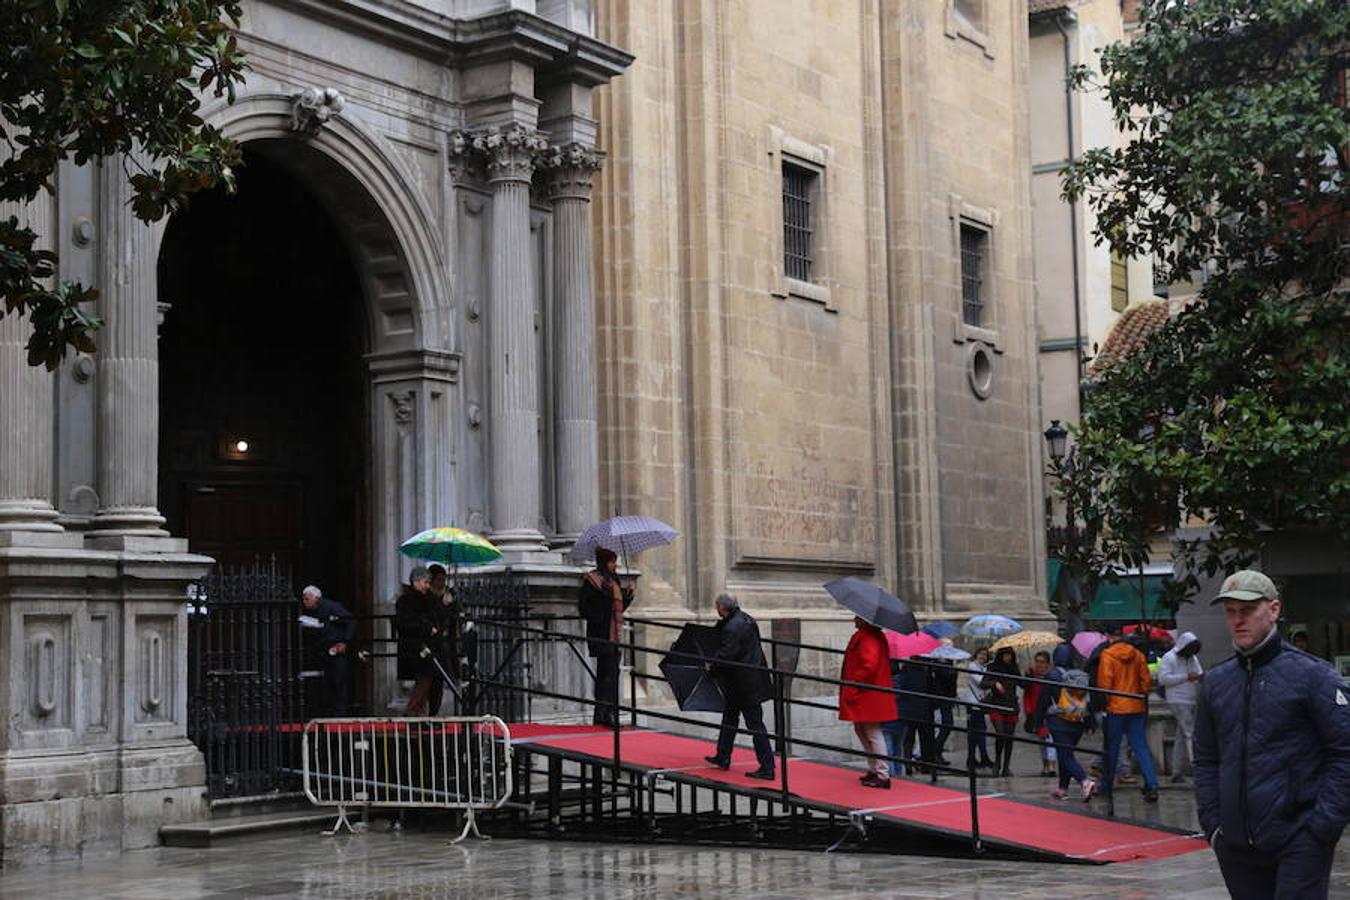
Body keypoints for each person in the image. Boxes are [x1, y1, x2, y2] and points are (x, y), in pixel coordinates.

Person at [1195, 570, 1350, 899]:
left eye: (1247, 610)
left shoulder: (1313, 677)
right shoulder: (1216, 683)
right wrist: (1214, 826)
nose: (1238, 620)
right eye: (1230, 611)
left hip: (1299, 839)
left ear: (1274, 610)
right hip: (1236, 844)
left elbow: (1344, 752)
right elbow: (1207, 759)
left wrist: (1321, 828)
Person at [703, 594, 776, 780]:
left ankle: (767, 767)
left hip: (742, 683)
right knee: (730, 718)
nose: (716, 610)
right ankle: (722, 755)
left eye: (716, 607)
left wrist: (711, 666)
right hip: (746, 680)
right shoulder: (745, 619)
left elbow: (727, 653)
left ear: (722, 607)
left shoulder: (733, 626)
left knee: (754, 724)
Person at [1096, 623, 1160, 803]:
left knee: (1112, 747)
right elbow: (1146, 681)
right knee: (1140, 747)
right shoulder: (1138, 655)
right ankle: (1152, 784)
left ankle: (1106, 785)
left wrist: (1108, 702)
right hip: (1136, 706)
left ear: (1109, 637)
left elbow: (1105, 684)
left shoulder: (1107, 656)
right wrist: (1139, 696)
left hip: (1116, 707)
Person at [577, 547, 634, 726]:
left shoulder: (613, 581)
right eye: (611, 561)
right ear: (604, 562)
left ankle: (605, 713)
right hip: (601, 634)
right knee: (607, 674)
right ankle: (606, 714)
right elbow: (584, 608)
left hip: (614, 634)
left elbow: (619, 608)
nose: (614, 565)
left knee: (610, 673)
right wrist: (602, 616)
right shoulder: (593, 580)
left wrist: (629, 594)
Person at [839, 617, 894, 789]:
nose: (854, 619)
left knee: (872, 732)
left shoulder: (869, 638)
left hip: (866, 693)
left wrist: (854, 684)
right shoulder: (867, 636)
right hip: (865, 692)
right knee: (863, 730)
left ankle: (882, 773)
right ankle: (875, 769)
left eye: (857, 617)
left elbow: (868, 666)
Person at [299, 585, 355, 716]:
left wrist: (344, 641)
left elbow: (350, 620)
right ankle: (328, 711)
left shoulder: (331, 607)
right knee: (326, 682)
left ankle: (340, 713)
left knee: (338, 680)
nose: (304, 602)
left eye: (307, 599)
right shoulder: (310, 611)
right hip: (322, 650)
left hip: (335, 648)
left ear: (316, 598)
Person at [395, 567, 442, 716]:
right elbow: (405, 622)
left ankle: (421, 713)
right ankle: (413, 710)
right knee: (425, 677)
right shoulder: (405, 600)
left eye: (428, 582)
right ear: (415, 582)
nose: (427, 586)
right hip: (414, 645)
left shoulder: (431, 598)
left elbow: (439, 616)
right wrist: (427, 627)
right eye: (425, 582)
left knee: (431, 679)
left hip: (431, 644)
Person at [1043, 669, 1096, 801]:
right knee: (1065, 754)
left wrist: (1037, 721)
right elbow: (1088, 702)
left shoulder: (1053, 676)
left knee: (1065, 756)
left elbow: (1043, 700)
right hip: (1078, 722)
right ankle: (1062, 788)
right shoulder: (1080, 676)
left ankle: (1084, 781)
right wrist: (1090, 723)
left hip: (1059, 721)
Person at [1157, 631, 1203, 783]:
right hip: (1177, 700)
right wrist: (1186, 677)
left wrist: (1198, 677)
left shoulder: (1192, 658)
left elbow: (1198, 672)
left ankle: (1176, 771)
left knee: (1182, 736)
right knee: (1190, 734)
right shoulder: (1169, 657)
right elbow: (1163, 679)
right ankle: (1197, 769)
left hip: (1190, 699)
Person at [425, 564, 463, 716]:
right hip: (433, 643)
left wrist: (452, 603)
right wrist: (443, 605)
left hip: (448, 643)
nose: (442, 583)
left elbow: (457, 614)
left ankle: (437, 711)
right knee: (432, 681)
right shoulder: (428, 596)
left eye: (444, 579)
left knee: (445, 679)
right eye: (439, 579)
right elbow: (434, 616)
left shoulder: (450, 593)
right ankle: (430, 713)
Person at [888, 659, 935, 776]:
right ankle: (926, 765)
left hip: (908, 709)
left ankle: (908, 764)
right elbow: (932, 690)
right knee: (926, 739)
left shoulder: (903, 673)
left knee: (908, 740)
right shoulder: (926, 673)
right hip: (924, 709)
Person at [984, 647, 1021, 776]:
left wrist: (1029, 674)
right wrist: (994, 683)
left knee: (1009, 737)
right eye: (1005, 655)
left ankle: (1006, 766)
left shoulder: (1014, 668)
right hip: (997, 704)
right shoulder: (993, 667)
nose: (1008, 658)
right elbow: (984, 683)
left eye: (1010, 655)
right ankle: (997, 762)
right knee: (1000, 734)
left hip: (1011, 705)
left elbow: (1022, 683)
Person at [1022, 650, 1057, 777]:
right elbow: (1025, 689)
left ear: (1048, 663)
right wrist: (1027, 676)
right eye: (1037, 661)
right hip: (1036, 712)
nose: (1039, 664)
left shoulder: (1052, 676)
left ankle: (1052, 766)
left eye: (1042, 662)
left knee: (1051, 740)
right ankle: (1045, 766)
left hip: (1049, 711)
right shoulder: (1032, 676)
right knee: (1042, 741)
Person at [962, 647, 995, 769]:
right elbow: (981, 682)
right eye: (981, 654)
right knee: (975, 731)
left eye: (985, 655)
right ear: (976, 654)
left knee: (980, 730)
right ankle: (974, 757)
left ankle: (979, 756)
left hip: (980, 703)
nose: (983, 656)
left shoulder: (984, 668)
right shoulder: (972, 666)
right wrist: (993, 680)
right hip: (973, 702)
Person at [930, 658, 958, 765]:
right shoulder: (937, 667)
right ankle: (935, 752)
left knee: (947, 726)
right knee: (945, 726)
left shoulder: (948, 665)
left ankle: (937, 752)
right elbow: (946, 678)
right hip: (941, 701)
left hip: (947, 699)